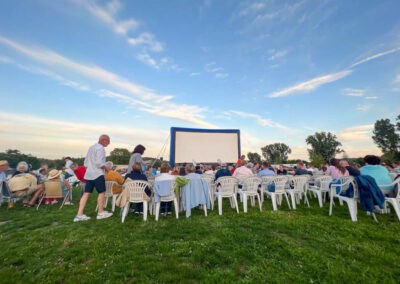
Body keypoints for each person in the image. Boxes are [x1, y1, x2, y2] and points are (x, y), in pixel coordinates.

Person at [74, 134, 113, 222]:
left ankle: (79, 214)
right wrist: (106, 168)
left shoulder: (91, 147)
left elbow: (86, 163)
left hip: (89, 174)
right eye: (108, 141)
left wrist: (91, 168)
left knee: (86, 193)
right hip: (98, 174)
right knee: (102, 192)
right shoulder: (101, 148)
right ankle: (100, 212)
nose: (109, 143)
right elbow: (99, 163)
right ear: (103, 140)